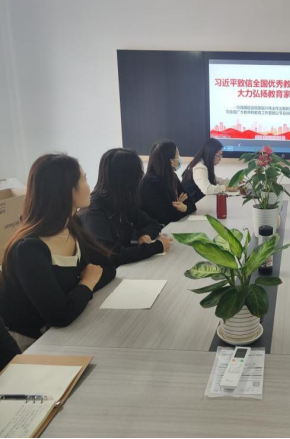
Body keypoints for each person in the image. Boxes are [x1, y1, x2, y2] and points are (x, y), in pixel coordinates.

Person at [0, 154, 116, 352]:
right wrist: (86, 283)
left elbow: (107, 267)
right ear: (66, 190)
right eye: (84, 179)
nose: (89, 186)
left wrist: (77, 293)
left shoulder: (71, 225)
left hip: (66, 328)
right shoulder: (28, 249)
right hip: (30, 344)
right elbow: (60, 316)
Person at [81, 149, 173, 267]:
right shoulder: (94, 213)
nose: (141, 178)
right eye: (138, 175)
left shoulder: (122, 201)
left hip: (126, 267)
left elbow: (152, 223)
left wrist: (145, 234)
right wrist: (156, 247)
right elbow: (113, 255)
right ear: (127, 180)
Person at [140, 140, 197, 226]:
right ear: (171, 161)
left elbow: (191, 204)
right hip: (159, 230)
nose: (180, 158)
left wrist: (185, 208)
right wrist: (178, 207)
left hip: (173, 226)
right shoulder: (151, 183)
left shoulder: (172, 176)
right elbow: (167, 218)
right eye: (178, 155)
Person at [181, 138, 237, 203]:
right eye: (219, 156)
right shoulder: (199, 167)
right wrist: (225, 188)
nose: (220, 159)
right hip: (192, 205)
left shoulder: (205, 165)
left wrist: (236, 182)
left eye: (221, 155)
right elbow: (207, 189)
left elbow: (217, 180)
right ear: (211, 154)